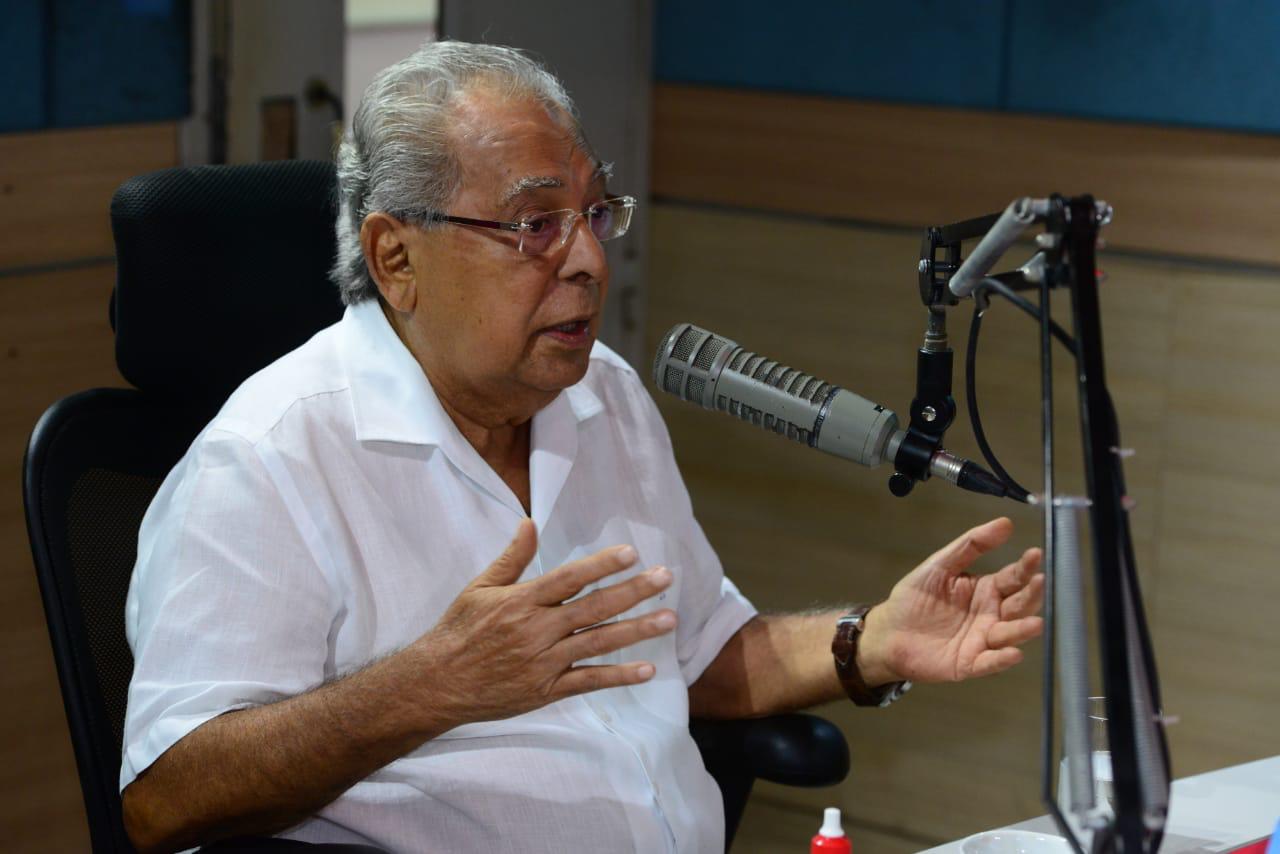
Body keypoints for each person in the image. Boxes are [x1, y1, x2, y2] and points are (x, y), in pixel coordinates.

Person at [119, 41, 1044, 854]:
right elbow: (163, 801)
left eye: (597, 215)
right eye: (535, 226)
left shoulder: (602, 394)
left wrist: (874, 641)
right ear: (396, 258)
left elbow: (700, 650)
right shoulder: (269, 458)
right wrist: (426, 688)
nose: (590, 261)